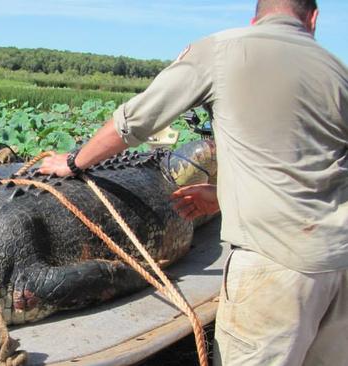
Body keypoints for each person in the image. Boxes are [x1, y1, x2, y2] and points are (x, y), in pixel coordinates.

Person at [39, 0, 348, 365]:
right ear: (313, 18)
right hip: (339, 264)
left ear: (255, 18)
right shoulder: (337, 70)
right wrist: (223, 195)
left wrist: (74, 161)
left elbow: (135, 121)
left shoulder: (222, 50)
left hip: (272, 261)